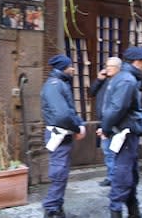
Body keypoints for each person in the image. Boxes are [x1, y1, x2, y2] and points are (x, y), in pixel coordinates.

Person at [101, 46, 142, 218]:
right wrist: (106, 129)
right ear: (138, 62)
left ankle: (134, 212)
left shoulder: (123, 78)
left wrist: (106, 127)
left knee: (130, 174)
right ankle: (117, 211)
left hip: (126, 132)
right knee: (124, 175)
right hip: (125, 134)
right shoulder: (127, 80)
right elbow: (116, 108)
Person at [41, 54, 87, 218]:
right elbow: (62, 115)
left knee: (62, 172)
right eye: (70, 66)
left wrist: (79, 123)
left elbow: (69, 110)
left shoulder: (59, 84)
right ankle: (51, 209)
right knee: (59, 173)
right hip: (59, 134)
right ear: (62, 68)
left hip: (63, 134)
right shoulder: (55, 85)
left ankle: (57, 208)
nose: (73, 68)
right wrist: (77, 128)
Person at [88, 57, 122, 187]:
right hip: (103, 121)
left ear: (118, 68)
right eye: (106, 65)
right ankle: (111, 177)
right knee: (107, 150)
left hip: (117, 122)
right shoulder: (104, 80)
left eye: (110, 66)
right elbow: (91, 92)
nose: (107, 68)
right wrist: (98, 80)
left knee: (116, 151)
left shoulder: (121, 82)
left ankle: (118, 178)